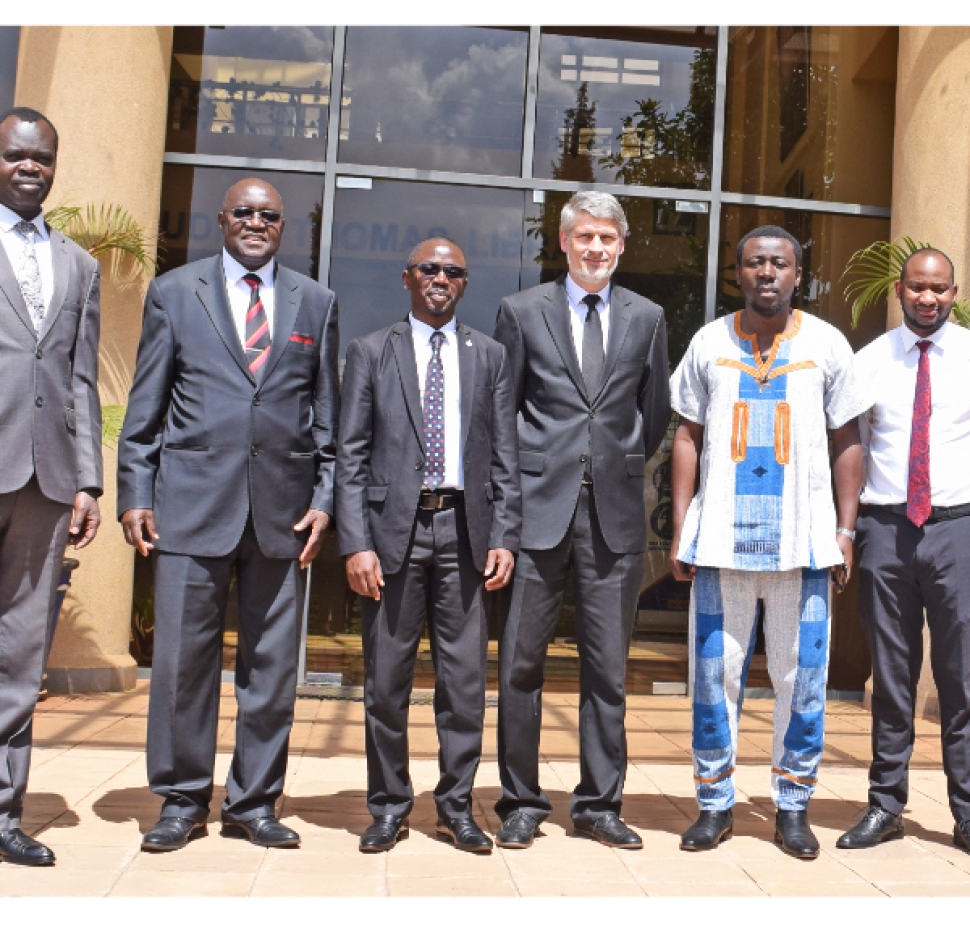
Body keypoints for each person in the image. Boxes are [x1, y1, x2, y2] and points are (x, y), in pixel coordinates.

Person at [117, 178, 338, 852]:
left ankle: (254, 802)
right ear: (222, 220)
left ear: (283, 226)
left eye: (268, 215)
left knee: (270, 672)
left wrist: (324, 500)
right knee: (182, 666)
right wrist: (135, 493)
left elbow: (326, 419)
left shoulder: (316, 302)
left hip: (282, 515)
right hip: (190, 507)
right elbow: (146, 406)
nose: (255, 222)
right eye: (243, 212)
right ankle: (181, 800)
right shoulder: (175, 293)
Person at [669, 225, 869, 859]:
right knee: (713, 678)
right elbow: (687, 436)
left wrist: (844, 530)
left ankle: (792, 806)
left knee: (801, 679)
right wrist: (682, 528)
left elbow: (848, 440)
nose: (766, 272)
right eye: (754, 262)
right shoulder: (709, 342)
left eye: (779, 263)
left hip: (803, 547)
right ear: (738, 273)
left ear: (797, 275)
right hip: (719, 547)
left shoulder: (827, 344)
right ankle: (714, 805)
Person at [492, 191, 670, 850]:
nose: (596, 248)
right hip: (537, 511)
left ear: (621, 245)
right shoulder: (521, 311)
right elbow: (502, 412)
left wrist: (615, 463)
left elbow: (653, 412)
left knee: (607, 670)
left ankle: (598, 805)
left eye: (608, 238)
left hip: (613, 517)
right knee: (520, 665)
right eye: (585, 237)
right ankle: (520, 802)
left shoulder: (647, 317)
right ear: (564, 242)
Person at [337, 237, 520, 855]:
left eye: (453, 271)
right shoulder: (370, 351)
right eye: (429, 269)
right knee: (386, 683)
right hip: (393, 535)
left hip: (465, 534)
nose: (440, 278)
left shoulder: (490, 356)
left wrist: (504, 535)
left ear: (464, 284)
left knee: (464, 685)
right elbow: (350, 455)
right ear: (407, 277)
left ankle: (455, 808)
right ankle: (389, 807)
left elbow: (505, 456)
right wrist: (355, 542)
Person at [837, 248, 970, 854]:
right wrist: (848, 528)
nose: (928, 298)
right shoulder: (870, 359)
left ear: (954, 292)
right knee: (891, 677)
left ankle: (966, 813)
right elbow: (853, 446)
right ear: (899, 290)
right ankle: (886, 805)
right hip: (887, 529)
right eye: (917, 287)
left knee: (961, 677)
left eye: (938, 289)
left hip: (958, 530)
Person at [0, 107, 102, 868]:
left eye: (41, 157)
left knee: (19, 651)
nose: (30, 167)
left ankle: (5, 812)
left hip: (45, 482)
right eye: (15, 155)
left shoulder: (80, 265)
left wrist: (89, 480)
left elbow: (79, 377)